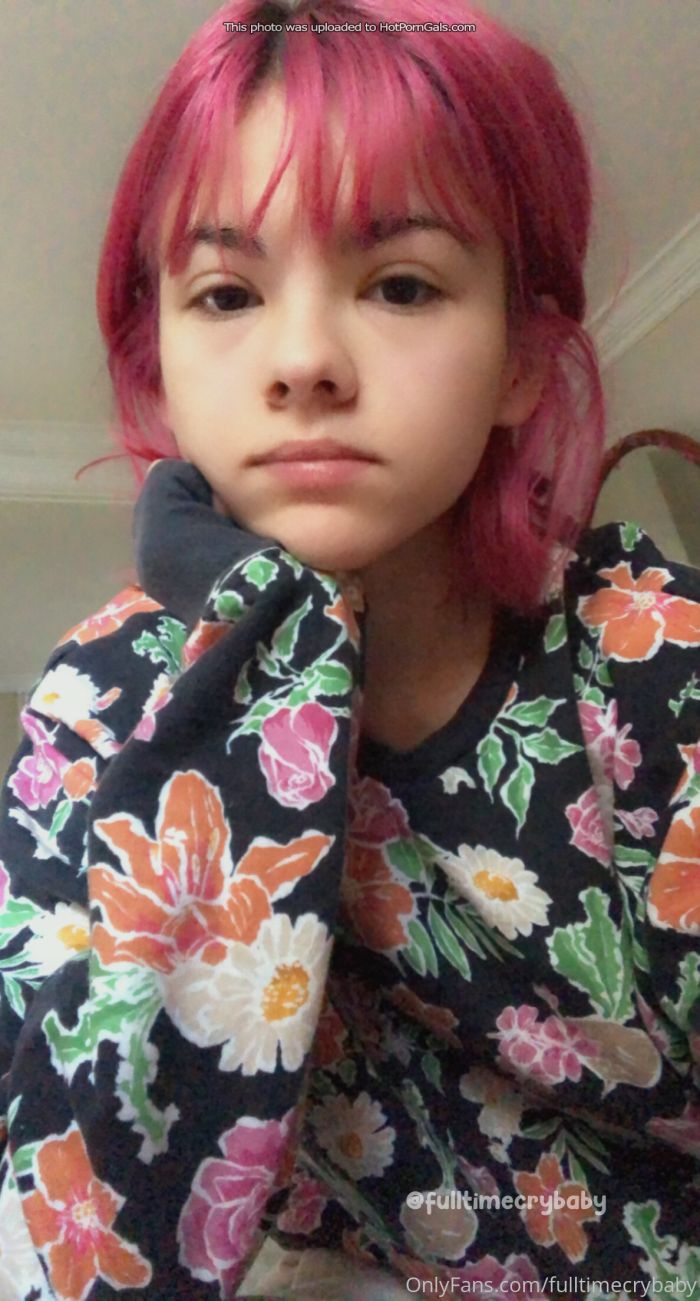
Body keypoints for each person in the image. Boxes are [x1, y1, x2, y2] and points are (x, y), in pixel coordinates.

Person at [0, 0, 698, 1296]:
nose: (305, 360)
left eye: (402, 284)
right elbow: (72, 1190)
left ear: (523, 359)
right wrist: (268, 634)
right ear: (164, 362)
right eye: (227, 293)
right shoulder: (100, 701)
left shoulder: (651, 660)